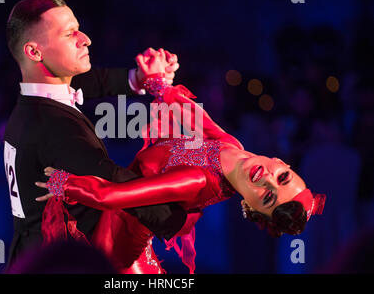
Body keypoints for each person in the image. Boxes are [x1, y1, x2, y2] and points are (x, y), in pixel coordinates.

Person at [36, 49, 326, 274]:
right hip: (120, 240)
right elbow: (189, 111)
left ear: (250, 206)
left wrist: (63, 183)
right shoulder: (234, 148)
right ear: (281, 162)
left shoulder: (197, 180)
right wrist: (158, 79)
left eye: (267, 197)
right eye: (282, 178)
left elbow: (109, 195)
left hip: (122, 260)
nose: (267, 180)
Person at [3, 0, 188, 270]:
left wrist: (138, 79)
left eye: (78, 28)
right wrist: (179, 217)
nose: (85, 38)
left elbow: (90, 83)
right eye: (69, 34)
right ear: (34, 52)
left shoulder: (37, 102)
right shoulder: (55, 127)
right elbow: (116, 183)